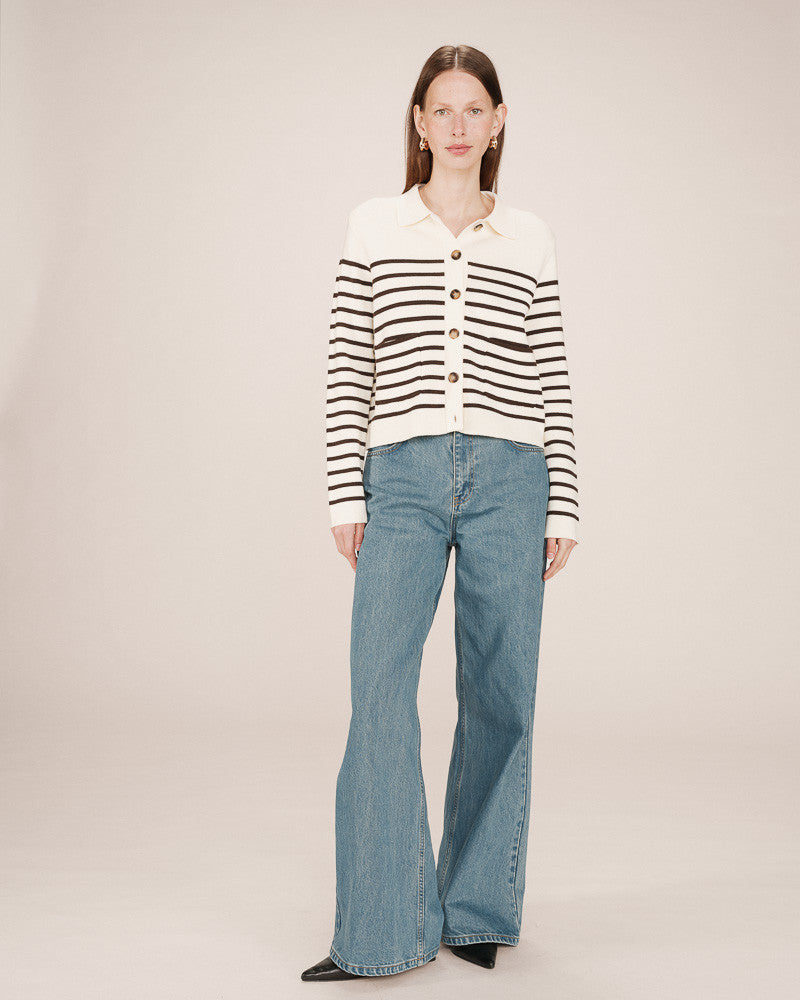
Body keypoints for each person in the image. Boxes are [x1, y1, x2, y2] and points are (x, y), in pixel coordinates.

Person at [302, 44, 579, 982]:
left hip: (513, 476)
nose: (458, 126)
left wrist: (564, 501)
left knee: (502, 692)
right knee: (380, 690)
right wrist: (345, 489)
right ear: (419, 124)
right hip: (403, 475)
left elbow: (551, 373)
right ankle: (383, 929)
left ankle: (476, 910)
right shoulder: (375, 226)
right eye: (441, 109)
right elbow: (350, 364)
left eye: (475, 109)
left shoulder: (530, 237)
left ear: (498, 122)